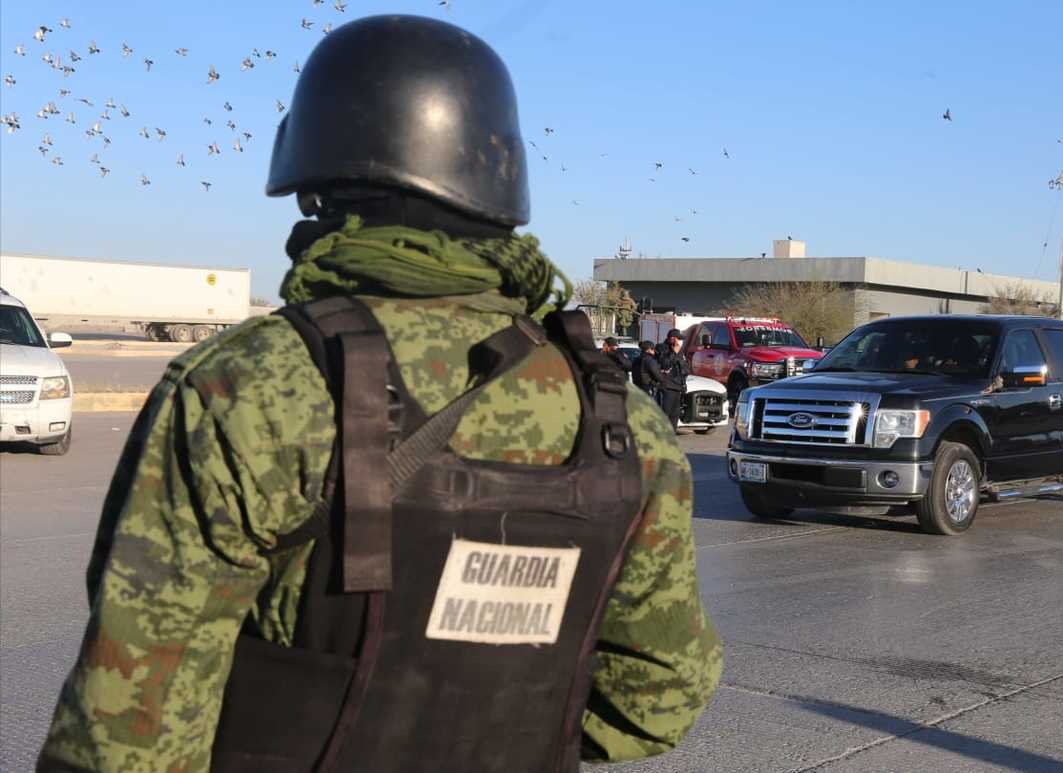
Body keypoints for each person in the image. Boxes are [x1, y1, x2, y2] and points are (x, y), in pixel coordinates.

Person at [38, 16, 721, 773]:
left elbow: (127, 731)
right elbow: (658, 698)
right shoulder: (623, 420)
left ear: (319, 191)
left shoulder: (249, 390)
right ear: (498, 193)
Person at [656, 328, 690, 432]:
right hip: (667, 386)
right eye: (678, 339)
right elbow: (665, 364)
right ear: (673, 339)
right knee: (665, 413)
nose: (680, 342)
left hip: (678, 386)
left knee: (675, 415)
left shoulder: (681, 351)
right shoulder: (662, 348)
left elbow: (685, 368)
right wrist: (673, 353)